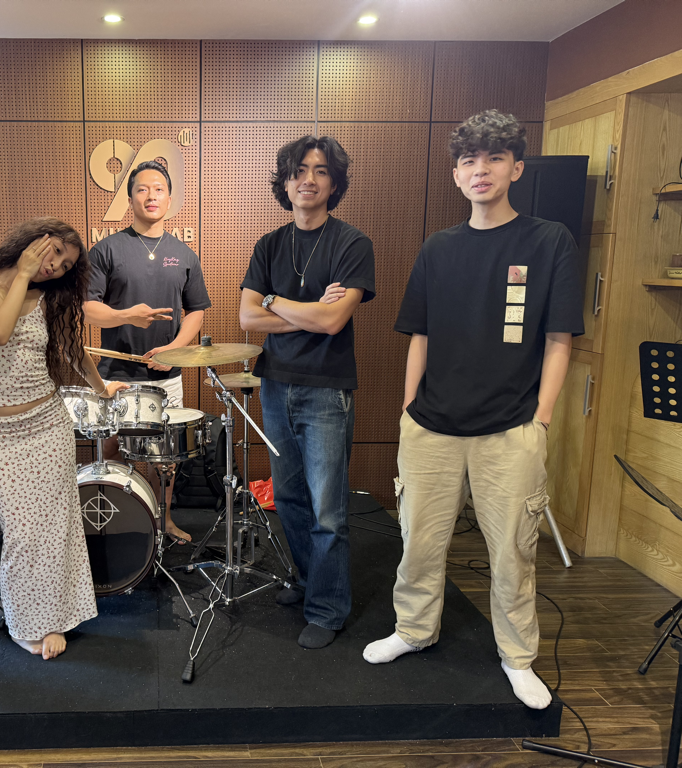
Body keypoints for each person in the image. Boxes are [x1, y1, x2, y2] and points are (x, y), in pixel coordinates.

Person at [362, 110, 583, 710]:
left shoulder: (548, 241)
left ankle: (518, 657)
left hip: (512, 428)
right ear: (456, 174)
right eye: (468, 160)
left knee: (513, 551)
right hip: (431, 426)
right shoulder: (438, 248)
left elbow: (560, 338)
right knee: (418, 542)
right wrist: (408, 410)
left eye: (494, 158)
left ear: (516, 168)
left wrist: (541, 418)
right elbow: (421, 334)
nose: (480, 170)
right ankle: (414, 629)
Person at [0, 218, 127, 660]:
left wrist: (102, 389)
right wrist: (23, 273)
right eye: (56, 254)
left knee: (57, 525)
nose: (57, 267)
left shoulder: (49, 298)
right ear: (34, 240)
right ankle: (26, 621)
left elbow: (72, 348)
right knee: (23, 531)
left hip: (47, 423)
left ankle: (58, 615)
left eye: (66, 266)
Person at [239, 135, 376, 649]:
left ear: (334, 183)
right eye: (298, 171)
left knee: (327, 509)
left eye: (319, 171)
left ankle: (327, 607)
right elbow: (247, 317)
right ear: (285, 181)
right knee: (289, 498)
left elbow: (334, 321)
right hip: (275, 385)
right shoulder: (269, 245)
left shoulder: (351, 244)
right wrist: (307, 308)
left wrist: (276, 303)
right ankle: (306, 579)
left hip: (326, 391)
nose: (308, 180)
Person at [84, 160, 211, 543]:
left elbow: (197, 311)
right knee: (110, 453)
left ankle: (163, 522)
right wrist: (127, 316)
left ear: (170, 199)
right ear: (130, 199)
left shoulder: (185, 255)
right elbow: (88, 308)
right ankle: (116, 530)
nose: (151, 196)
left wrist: (172, 350)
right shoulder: (106, 249)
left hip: (166, 378)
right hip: (114, 376)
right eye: (142, 189)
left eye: (158, 189)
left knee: (165, 460)